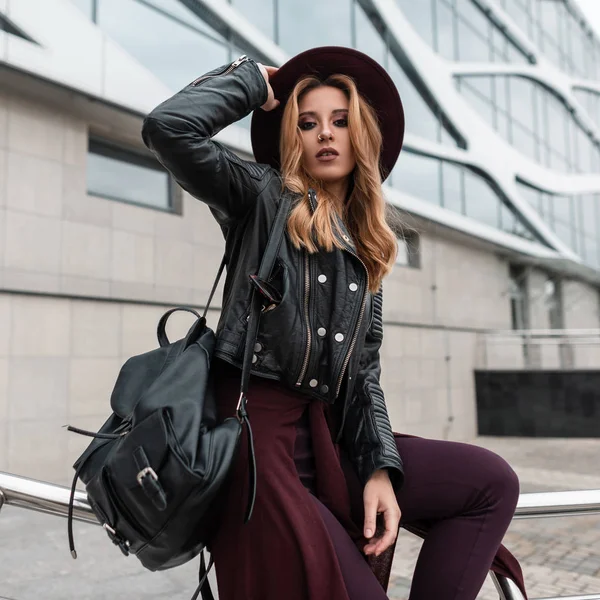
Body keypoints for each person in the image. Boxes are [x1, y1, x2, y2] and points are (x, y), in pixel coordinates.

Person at [142, 46, 526, 600]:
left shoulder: (365, 247)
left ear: (360, 137)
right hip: (258, 443)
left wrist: (379, 469)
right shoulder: (260, 198)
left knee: (490, 483)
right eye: (308, 123)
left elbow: (363, 377)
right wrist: (248, 80)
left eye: (340, 122)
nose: (325, 134)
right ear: (291, 138)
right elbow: (169, 128)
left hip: (327, 438)